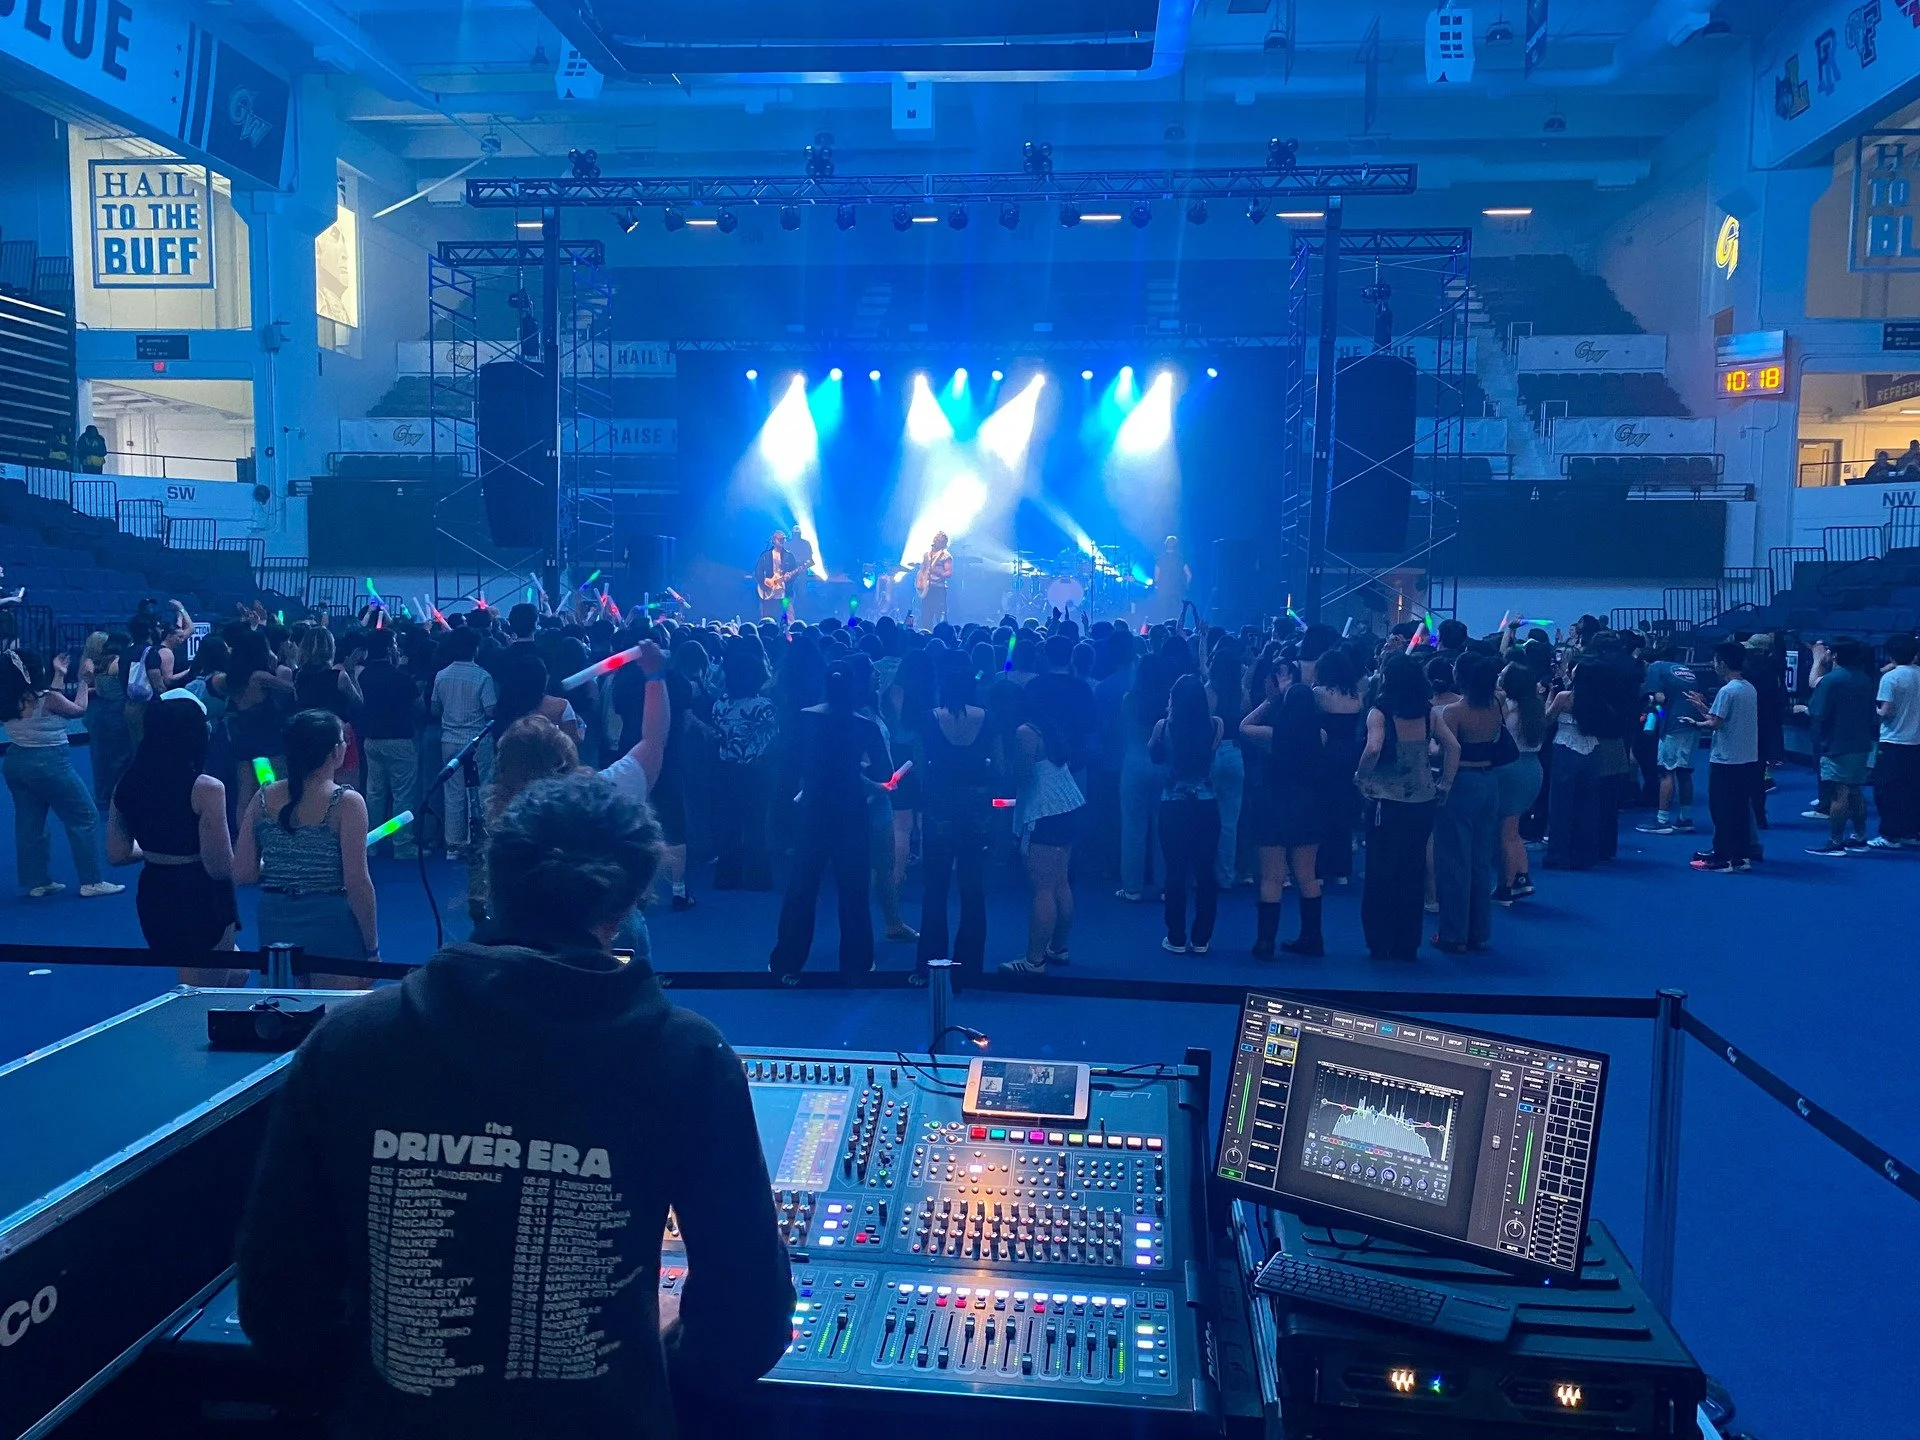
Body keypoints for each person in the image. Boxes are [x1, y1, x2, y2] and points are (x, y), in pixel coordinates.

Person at [234, 772, 794, 1440]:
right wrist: (647, 1376)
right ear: (621, 909)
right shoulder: (689, 1058)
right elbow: (747, 1322)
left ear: (494, 883)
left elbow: (279, 1303)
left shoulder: (347, 1044)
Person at [106, 690, 243, 984]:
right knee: (204, 989)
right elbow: (218, 866)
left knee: (236, 973)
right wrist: (255, 863)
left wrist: (158, 850)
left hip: (154, 889)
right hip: (200, 894)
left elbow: (117, 853)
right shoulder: (206, 788)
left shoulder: (127, 783)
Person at [768, 657, 892, 981]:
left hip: (812, 809)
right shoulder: (864, 725)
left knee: (801, 888)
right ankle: (857, 962)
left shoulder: (803, 718)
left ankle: (787, 960)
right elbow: (884, 771)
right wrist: (861, 768)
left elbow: (787, 763)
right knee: (853, 890)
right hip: (851, 811)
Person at [235, 708, 380, 981]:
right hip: (331, 921)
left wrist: (283, 864)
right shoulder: (347, 803)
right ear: (335, 751)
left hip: (275, 919)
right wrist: (372, 947)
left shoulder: (263, 797)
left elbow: (243, 872)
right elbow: (357, 882)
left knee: (283, 1002)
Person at [1355, 654, 1457, 960]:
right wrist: (1445, 784)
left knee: (1380, 871)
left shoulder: (1380, 712)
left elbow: (1373, 748)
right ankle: (1407, 941)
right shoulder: (1429, 713)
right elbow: (1453, 747)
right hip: (1422, 799)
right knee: (1412, 871)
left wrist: (1361, 777)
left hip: (1386, 800)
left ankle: (1379, 941)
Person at [1, 652, 124, 898]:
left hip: (16, 761)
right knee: (84, 816)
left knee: (30, 823)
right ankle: (91, 881)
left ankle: (37, 881)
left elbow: (50, 704)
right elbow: (78, 709)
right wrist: (83, 680)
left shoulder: (9, 698)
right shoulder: (47, 698)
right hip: (49, 762)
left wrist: (59, 674)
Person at [914, 655, 995, 983]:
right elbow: (998, 763)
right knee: (973, 888)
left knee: (935, 888)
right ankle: (970, 968)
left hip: (939, 809)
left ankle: (930, 966)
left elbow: (920, 765)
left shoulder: (929, 718)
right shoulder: (986, 717)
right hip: (976, 810)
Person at [1241, 655, 1324, 957]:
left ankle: (1265, 942)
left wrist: (1272, 700)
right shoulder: (1320, 736)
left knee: (1272, 877)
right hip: (1307, 806)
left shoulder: (1272, 736)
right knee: (1307, 875)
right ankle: (1313, 938)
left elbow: (1244, 726)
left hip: (1273, 806)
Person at [1001, 685, 1086, 976]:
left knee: (1042, 888)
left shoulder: (1023, 733)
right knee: (1061, 881)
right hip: (1068, 807)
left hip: (1044, 812)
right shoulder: (1044, 727)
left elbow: (1023, 777)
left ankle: (1034, 959)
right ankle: (1058, 946)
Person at [1432, 653, 1512, 955]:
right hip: (1489, 781)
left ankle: (1453, 934)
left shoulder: (1452, 712)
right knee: (1480, 859)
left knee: (1455, 860)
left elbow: (1446, 752)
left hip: (1461, 783)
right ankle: (1479, 931)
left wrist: (1443, 782)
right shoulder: (1496, 704)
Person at [1149, 673, 1223, 954]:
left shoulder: (1164, 726)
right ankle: (1202, 937)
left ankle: (1176, 936)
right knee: (1205, 870)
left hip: (1173, 805)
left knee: (1175, 871)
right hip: (1206, 804)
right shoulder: (1215, 725)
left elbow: (1154, 754)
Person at [710, 637, 777, 890]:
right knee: (756, 824)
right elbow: (774, 736)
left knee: (729, 822)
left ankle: (727, 876)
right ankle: (758, 877)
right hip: (756, 770)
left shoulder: (720, 704)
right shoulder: (764, 706)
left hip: (725, 768)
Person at [1803, 638, 1880, 856]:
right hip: (1861, 744)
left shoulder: (1831, 680)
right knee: (1855, 790)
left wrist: (1804, 709)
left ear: (1835, 655)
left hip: (1836, 744)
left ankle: (1836, 841)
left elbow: (1817, 711)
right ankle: (1859, 836)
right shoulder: (1865, 679)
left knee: (1838, 793)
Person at [1690, 642, 1761, 873]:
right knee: (1739, 809)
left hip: (1725, 759)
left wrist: (1695, 722)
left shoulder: (1727, 691)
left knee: (1721, 809)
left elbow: (1715, 723)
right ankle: (1740, 855)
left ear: (1722, 663)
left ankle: (1722, 857)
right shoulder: (1748, 688)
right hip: (1746, 757)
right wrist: (1704, 708)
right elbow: (1722, 718)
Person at [431, 626, 497, 859]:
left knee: (453, 793)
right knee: (479, 791)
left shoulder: (441, 675)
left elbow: (434, 708)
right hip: (477, 741)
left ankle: (453, 845)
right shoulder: (483, 676)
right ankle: (477, 841)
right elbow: (490, 711)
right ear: (475, 648)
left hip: (449, 740)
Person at [356, 629, 422, 859]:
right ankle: (402, 844)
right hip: (399, 739)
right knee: (402, 794)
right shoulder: (401, 677)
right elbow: (418, 706)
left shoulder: (363, 676)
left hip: (371, 739)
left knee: (374, 793)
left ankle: (371, 843)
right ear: (389, 648)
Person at [1116, 652, 1171, 902]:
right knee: (1164, 827)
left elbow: (1123, 730)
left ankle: (1132, 887)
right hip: (1164, 762)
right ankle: (1165, 885)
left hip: (1135, 761)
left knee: (1132, 826)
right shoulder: (1169, 700)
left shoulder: (1130, 699)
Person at [1636, 645, 1704, 836]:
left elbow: (1659, 698)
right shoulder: (1684, 669)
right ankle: (1685, 819)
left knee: (1666, 771)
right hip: (1693, 723)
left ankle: (1662, 820)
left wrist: (1654, 711)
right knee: (1684, 772)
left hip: (1674, 726)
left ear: (1645, 663)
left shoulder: (1654, 667)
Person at [1494, 661, 1546, 904]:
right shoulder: (1536, 708)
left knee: (1506, 833)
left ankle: (1510, 883)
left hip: (1511, 769)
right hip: (1532, 767)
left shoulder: (1508, 708)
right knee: (1512, 829)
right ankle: (1518, 878)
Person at [1869, 633, 1920, 849]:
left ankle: (1890, 835)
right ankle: (1910, 832)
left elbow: (1886, 711)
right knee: (1912, 790)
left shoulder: (1890, 678)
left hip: (1893, 741)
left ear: (1890, 655)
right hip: (1916, 742)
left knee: (1886, 791)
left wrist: (1874, 710)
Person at [754, 530, 797, 621]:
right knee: (767, 616)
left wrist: (789, 578)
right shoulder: (766, 555)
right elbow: (758, 571)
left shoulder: (789, 556)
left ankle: (788, 629)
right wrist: (765, 582)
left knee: (788, 615)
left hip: (785, 592)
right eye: (780, 539)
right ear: (774, 540)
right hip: (769, 592)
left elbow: (795, 572)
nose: (782, 541)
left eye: (783, 539)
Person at [916, 530, 954, 625]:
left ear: (943, 543)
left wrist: (940, 573)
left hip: (938, 590)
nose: (936, 540)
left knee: (940, 616)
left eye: (939, 540)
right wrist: (920, 582)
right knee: (926, 616)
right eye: (936, 538)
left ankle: (941, 632)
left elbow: (949, 573)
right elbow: (922, 570)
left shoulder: (946, 556)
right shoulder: (927, 554)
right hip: (927, 589)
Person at [1153, 536, 1190, 624]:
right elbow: (1189, 575)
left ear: (1165, 544)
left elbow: (1156, 576)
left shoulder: (1159, 559)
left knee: (1165, 613)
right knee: (1178, 613)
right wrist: (1186, 587)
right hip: (1179, 589)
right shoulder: (1181, 559)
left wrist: (1157, 586)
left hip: (1164, 590)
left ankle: (1166, 629)